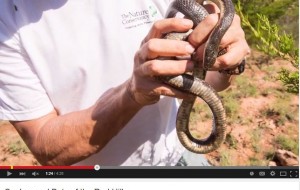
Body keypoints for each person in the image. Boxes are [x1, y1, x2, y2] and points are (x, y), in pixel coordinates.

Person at [0, 0, 250, 166]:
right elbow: (47, 147)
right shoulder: (6, 20)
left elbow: (214, 80)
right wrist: (131, 95)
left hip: (181, 156)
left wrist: (227, 60)